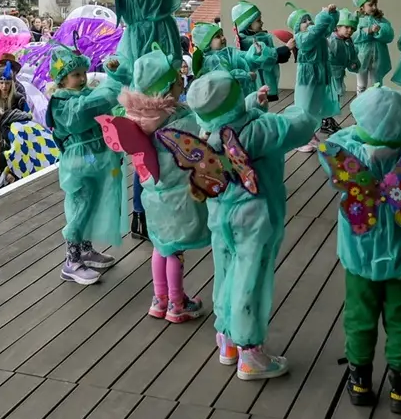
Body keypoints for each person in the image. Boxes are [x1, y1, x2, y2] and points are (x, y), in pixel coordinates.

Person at [187, 70, 317, 380]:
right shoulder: (260, 131)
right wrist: (306, 94)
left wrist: (251, 104)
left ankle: (227, 340)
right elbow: (301, 125)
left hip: (221, 215)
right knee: (251, 278)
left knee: (227, 270)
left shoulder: (207, 132)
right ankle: (250, 353)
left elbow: (230, 120)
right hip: (255, 218)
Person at [319, 86, 401, 414]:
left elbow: (332, 145)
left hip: (359, 253)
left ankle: (360, 381)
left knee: (359, 314)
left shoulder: (348, 155)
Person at [112, 48, 209, 323]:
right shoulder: (181, 120)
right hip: (177, 196)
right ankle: (178, 303)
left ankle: (159, 299)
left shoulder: (136, 119)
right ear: (167, 88)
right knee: (175, 249)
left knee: (160, 246)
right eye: (179, 79)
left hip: (153, 194)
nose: (183, 80)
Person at [47, 45, 123, 285]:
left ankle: (86, 250)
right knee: (81, 203)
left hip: (96, 156)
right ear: (62, 79)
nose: (81, 79)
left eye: (83, 73)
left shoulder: (85, 95)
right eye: (75, 75)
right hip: (79, 161)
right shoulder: (62, 101)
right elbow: (79, 117)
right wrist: (108, 87)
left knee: (94, 200)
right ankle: (71, 261)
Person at [287, 3, 337, 151]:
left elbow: (326, 28)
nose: (308, 22)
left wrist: (332, 15)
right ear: (296, 27)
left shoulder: (317, 32)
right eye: (303, 21)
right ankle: (299, 138)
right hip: (307, 76)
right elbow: (316, 31)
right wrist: (323, 16)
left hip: (320, 73)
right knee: (305, 105)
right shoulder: (302, 37)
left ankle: (309, 134)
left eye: (309, 19)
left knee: (316, 106)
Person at [231, 1, 287, 102]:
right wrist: (284, 50)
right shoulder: (249, 41)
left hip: (264, 81)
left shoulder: (259, 36)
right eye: (258, 20)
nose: (261, 23)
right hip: (257, 81)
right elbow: (263, 56)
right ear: (247, 24)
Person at [352, 0, 394, 92]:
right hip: (361, 57)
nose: (374, 7)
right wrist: (367, 31)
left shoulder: (380, 20)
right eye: (371, 5)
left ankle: (377, 105)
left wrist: (380, 30)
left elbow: (390, 35)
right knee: (361, 84)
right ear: (362, 7)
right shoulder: (356, 20)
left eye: (375, 4)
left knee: (377, 84)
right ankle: (361, 107)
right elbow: (351, 36)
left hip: (378, 57)